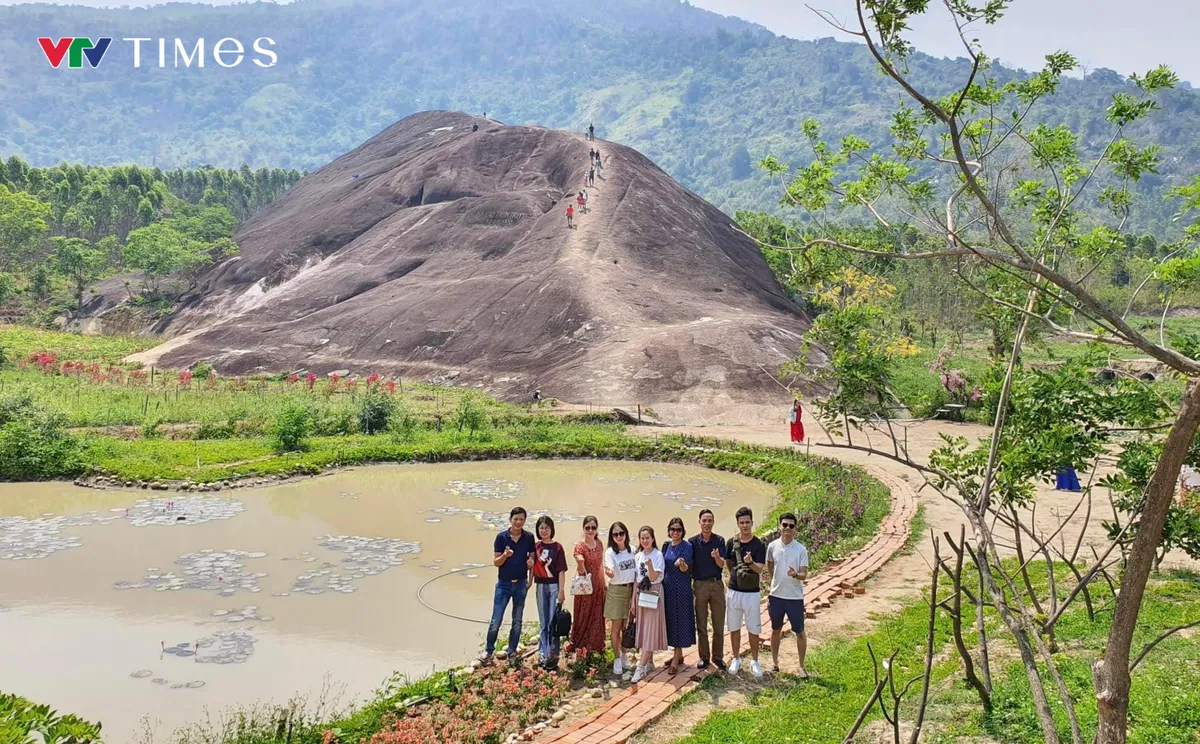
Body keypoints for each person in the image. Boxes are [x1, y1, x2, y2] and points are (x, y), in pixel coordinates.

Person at [482, 506, 536, 665]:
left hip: (520, 584)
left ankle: (512, 651)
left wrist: (530, 580)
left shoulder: (529, 538)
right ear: (510, 520)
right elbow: (496, 562)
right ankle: (488, 650)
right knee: (496, 620)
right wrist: (505, 555)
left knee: (517, 620)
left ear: (524, 521)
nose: (518, 522)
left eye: (521, 519)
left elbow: (532, 561)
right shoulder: (501, 538)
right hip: (503, 585)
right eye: (516, 519)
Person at [764, 512, 809, 677]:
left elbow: (804, 574)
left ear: (795, 529)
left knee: (799, 631)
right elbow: (770, 567)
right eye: (785, 525)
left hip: (794, 597)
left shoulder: (800, 549)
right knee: (776, 630)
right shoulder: (772, 546)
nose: (787, 528)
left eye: (791, 526)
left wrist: (795, 575)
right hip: (776, 596)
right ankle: (775, 664)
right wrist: (775, 581)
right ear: (780, 527)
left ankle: (802, 666)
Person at [726, 506, 766, 679]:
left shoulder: (759, 544)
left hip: (752, 593)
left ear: (752, 522)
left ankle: (755, 660)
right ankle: (736, 658)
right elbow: (728, 563)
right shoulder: (731, 543)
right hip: (734, 591)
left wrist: (749, 563)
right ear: (737, 524)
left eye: (747, 522)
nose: (745, 526)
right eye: (741, 523)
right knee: (734, 627)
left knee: (753, 628)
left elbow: (759, 570)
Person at [689, 508, 726, 670]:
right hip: (699, 585)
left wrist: (717, 557)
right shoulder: (692, 542)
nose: (707, 524)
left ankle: (718, 657)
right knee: (701, 624)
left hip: (716, 585)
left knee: (718, 624)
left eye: (710, 520)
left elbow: (722, 564)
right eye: (704, 520)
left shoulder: (720, 540)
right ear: (699, 522)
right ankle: (704, 657)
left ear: (713, 522)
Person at [631, 525, 668, 683]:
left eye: (648, 537)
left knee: (650, 628)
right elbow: (636, 579)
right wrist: (633, 601)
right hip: (641, 593)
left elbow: (653, 578)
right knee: (644, 627)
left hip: (653, 592)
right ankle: (650, 662)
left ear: (653, 538)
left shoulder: (657, 555)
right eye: (642, 538)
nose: (645, 540)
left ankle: (640, 667)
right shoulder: (638, 555)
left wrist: (651, 565)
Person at [532, 515, 568, 670]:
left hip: (553, 586)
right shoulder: (535, 547)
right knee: (543, 620)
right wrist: (528, 582)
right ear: (538, 530)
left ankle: (553, 655)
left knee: (553, 621)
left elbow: (561, 571)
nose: (544, 530)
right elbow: (531, 566)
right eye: (541, 528)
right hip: (540, 585)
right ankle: (543, 654)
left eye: (547, 527)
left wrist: (561, 590)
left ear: (552, 529)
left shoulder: (558, 547)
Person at [662, 517, 695, 675]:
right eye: (673, 529)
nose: (675, 532)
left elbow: (686, 568)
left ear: (683, 532)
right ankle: (678, 654)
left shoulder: (687, 546)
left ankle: (676, 657)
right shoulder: (666, 546)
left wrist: (681, 564)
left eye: (678, 530)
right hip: (668, 588)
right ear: (669, 530)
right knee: (670, 619)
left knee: (679, 620)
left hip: (681, 588)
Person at [570, 515, 607, 657]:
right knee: (584, 615)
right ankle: (581, 645)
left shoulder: (600, 544)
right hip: (584, 586)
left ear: (597, 529)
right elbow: (580, 571)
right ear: (583, 529)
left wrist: (604, 584)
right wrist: (580, 562)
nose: (590, 530)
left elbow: (600, 567)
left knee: (597, 615)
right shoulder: (579, 546)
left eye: (593, 527)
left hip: (597, 585)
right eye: (587, 528)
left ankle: (595, 645)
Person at [603, 521, 637, 674]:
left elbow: (637, 574)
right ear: (612, 536)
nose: (618, 536)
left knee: (626, 627)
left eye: (621, 533)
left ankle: (624, 655)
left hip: (631, 590)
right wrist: (609, 572)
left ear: (626, 534)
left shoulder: (633, 551)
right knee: (616, 628)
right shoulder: (610, 552)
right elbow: (609, 568)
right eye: (615, 534)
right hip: (616, 591)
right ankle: (616, 658)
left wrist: (635, 597)